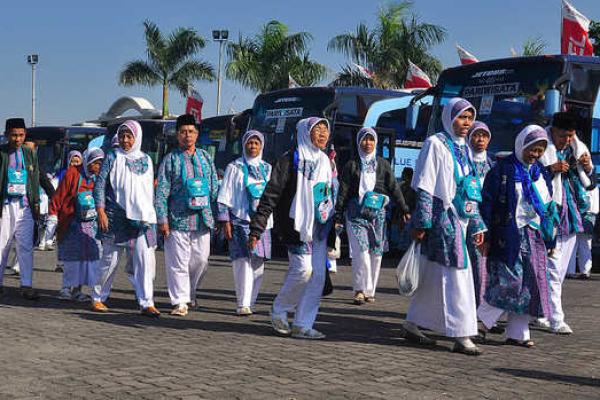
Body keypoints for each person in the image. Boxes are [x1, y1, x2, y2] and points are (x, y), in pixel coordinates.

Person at [404, 98, 486, 356]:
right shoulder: (435, 144)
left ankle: (412, 322)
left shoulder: (464, 149)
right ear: (449, 117)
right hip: (443, 219)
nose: (466, 124)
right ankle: (462, 334)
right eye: (462, 117)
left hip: (462, 220)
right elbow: (426, 186)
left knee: (433, 273)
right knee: (458, 273)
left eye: (470, 118)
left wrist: (477, 225)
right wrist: (422, 222)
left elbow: (471, 190)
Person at [249, 117, 334, 340]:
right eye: (318, 129)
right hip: (296, 226)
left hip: (320, 228)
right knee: (303, 270)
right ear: (306, 133)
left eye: (326, 129)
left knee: (317, 276)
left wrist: (333, 230)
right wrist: (257, 228)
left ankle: (303, 324)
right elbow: (272, 193)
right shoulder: (290, 159)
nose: (323, 133)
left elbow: (329, 197)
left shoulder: (326, 162)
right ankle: (279, 310)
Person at [478, 125, 555, 348]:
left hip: (534, 236)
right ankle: (480, 323)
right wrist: (486, 233)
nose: (535, 154)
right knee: (508, 283)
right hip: (508, 234)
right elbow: (488, 204)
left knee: (529, 284)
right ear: (521, 145)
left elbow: (548, 208)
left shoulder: (540, 174)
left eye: (540, 150)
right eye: (532, 148)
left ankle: (518, 332)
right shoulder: (502, 170)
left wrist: (549, 239)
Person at [91, 120, 160, 317]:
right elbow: (100, 186)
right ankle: (98, 297)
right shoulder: (112, 156)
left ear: (137, 137)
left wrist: (151, 215)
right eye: (122, 136)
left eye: (129, 136)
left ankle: (146, 302)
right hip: (115, 216)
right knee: (110, 260)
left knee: (144, 261)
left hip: (143, 219)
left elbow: (147, 192)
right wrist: (101, 211)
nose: (125, 140)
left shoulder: (147, 159)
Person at [335, 127, 410, 305]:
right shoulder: (351, 165)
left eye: (371, 139)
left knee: (376, 253)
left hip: (378, 214)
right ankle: (360, 290)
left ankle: (370, 290)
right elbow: (343, 191)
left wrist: (404, 209)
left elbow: (394, 187)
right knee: (361, 251)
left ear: (375, 142)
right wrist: (338, 214)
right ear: (358, 142)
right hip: (355, 214)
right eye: (364, 139)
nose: (367, 143)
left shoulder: (382, 164)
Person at [536, 112, 595, 334]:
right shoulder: (541, 145)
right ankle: (556, 318)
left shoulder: (577, 149)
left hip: (572, 214)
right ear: (553, 131)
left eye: (571, 136)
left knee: (558, 271)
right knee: (552, 267)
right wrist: (550, 169)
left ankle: (542, 312)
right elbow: (529, 173)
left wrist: (588, 167)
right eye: (563, 136)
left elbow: (590, 183)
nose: (567, 140)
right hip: (551, 212)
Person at [155, 114, 219, 316]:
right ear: (177, 135)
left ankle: (190, 292)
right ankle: (180, 301)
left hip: (202, 219)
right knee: (178, 262)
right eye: (183, 132)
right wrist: (162, 219)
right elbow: (162, 191)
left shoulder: (205, 157)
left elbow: (214, 186)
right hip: (177, 219)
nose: (187, 136)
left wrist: (215, 212)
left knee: (201, 260)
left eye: (191, 132)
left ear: (197, 134)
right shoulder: (170, 159)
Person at [217, 130, 271, 316]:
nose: (253, 146)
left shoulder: (267, 168)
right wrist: (225, 221)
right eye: (250, 143)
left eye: (257, 143)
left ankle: (251, 301)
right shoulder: (235, 167)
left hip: (263, 223)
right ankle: (242, 303)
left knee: (258, 264)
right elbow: (224, 195)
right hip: (240, 220)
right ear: (244, 144)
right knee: (242, 262)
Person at [49, 148, 104, 301]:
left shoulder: (98, 178)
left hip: (90, 225)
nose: (99, 166)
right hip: (72, 222)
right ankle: (66, 288)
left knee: (86, 259)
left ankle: (78, 290)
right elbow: (60, 195)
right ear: (89, 162)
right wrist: (53, 214)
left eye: (101, 163)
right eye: (96, 163)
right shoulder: (73, 173)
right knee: (72, 258)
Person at [0, 118, 42, 300]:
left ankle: (26, 285)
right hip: (6, 206)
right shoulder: (1, 153)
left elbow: (35, 178)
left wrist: (37, 203)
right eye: (14, 135)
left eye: (21, 135)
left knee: (25, 247)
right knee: (3, 246)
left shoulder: (29, 153)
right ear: (6, 135)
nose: (17, 139)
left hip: (25, 207)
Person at [466, 122, 494, 308]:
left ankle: (482, 308)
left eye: (484, 135)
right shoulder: (463, 161)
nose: (481, 139)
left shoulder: (493, 164)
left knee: (484, 265)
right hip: (466, 218)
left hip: (487, 220)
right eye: (476, 135)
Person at [566, 186, 598, 279]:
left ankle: (583, 271)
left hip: (587, 212)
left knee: (584, 241)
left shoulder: (591, 181)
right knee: (573, 241)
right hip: (576, 210)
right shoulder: (574, 178)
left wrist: (592, 213)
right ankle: (571, 270)